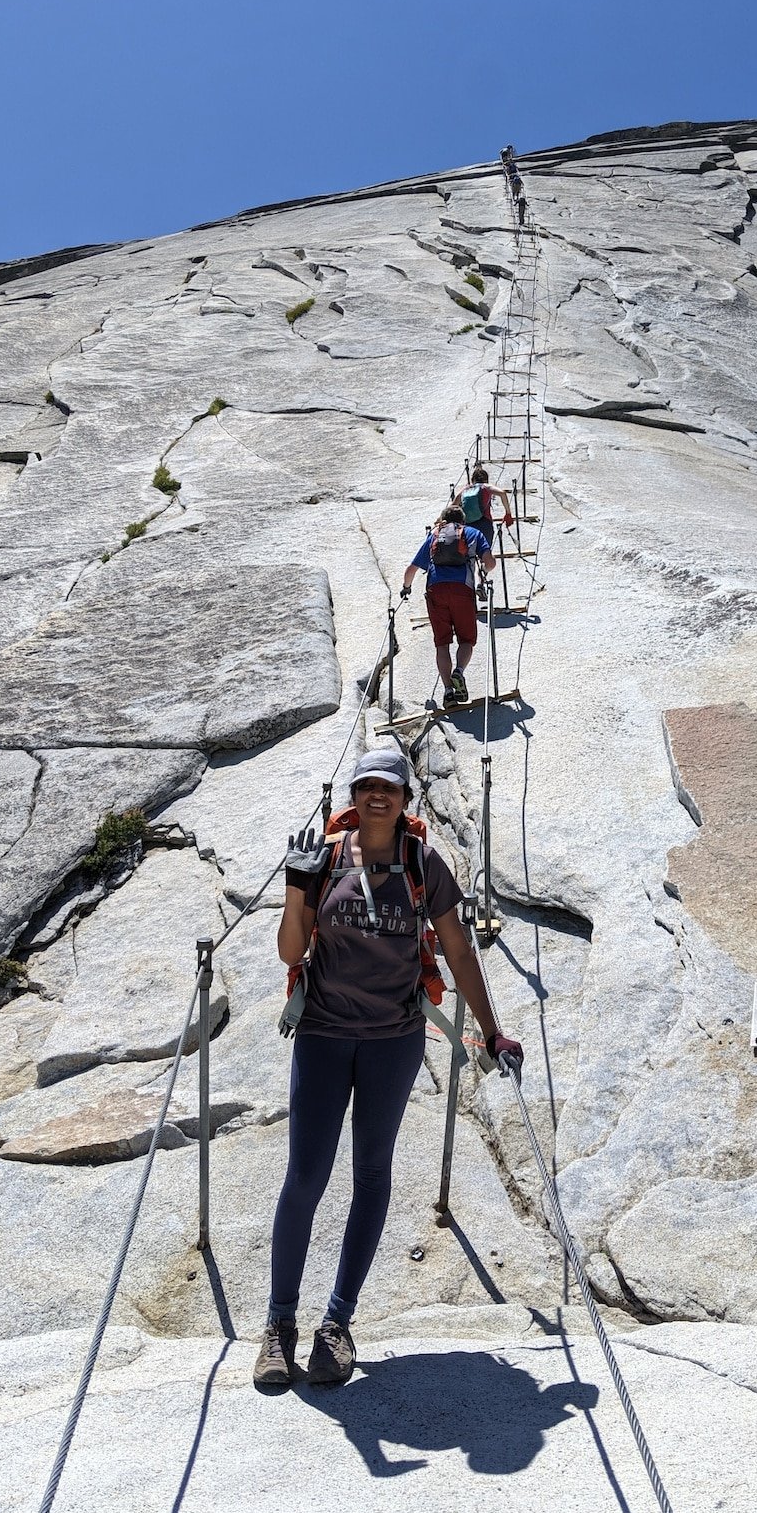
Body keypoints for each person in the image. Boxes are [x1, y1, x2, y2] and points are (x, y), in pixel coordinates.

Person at [256, 748, 523, 1389]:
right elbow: (291, 952)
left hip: (393, 1039)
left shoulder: (422, 863)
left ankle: (336, 1324)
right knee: (306, 1177)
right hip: (323, 1033)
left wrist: (490, 1031)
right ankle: (279, 1325)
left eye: (391, 788)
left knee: (372, 1173)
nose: (379, 796)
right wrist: (295, 888)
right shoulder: (325, 858)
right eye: (368, 786)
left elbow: (457, 949)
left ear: (406, 799)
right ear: (354, 795)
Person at [400, 505, 495, 707]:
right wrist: (483, 573)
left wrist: (406, 589)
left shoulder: (435, 535)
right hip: (462, 590)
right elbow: (490, 563)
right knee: (466, 640)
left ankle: (448, 692)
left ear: (444, 519)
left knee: (442, 643)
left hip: (436, 590)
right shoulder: (473, 533)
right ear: (463, 520)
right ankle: (458, 671)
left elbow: (411, 569)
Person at [453, 465, 514, 551]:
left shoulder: (466, 489)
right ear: (486, 479)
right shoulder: (486, 487)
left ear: (472, 480)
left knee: (469, 553)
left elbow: (453, 506)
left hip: (468, 525)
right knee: (485, 552)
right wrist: (508, 513)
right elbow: (502, 493)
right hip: (485, 523)